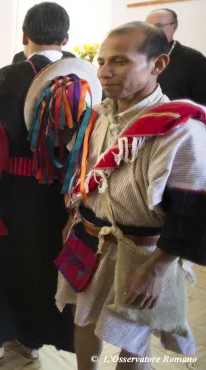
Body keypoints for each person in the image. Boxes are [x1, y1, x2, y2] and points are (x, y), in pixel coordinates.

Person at [55, 21, 206, 370]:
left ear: (158, 65)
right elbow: (89, 174)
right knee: (83, 316)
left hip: (142, 251)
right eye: (102, 61)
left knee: (132, 337)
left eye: (120, 62)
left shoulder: (181, 130)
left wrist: (157, 269)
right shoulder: (100, 116)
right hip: (89, 236)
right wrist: (75, 218)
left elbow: (192, 212)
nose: (105, 72)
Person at [0, 1, 81, 363]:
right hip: (60, 196)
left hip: (11, 192)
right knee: (46, 263)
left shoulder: (9, 77)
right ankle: (33, 338)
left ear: (24, 36)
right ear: (66, 38)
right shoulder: (83, 78)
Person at [145, 8, 206, 105]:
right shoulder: (139, 56)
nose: (152, 31)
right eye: (148, 27)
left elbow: (202, 103)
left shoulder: (194, 59)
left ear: (175, 26)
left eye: (158, 26)